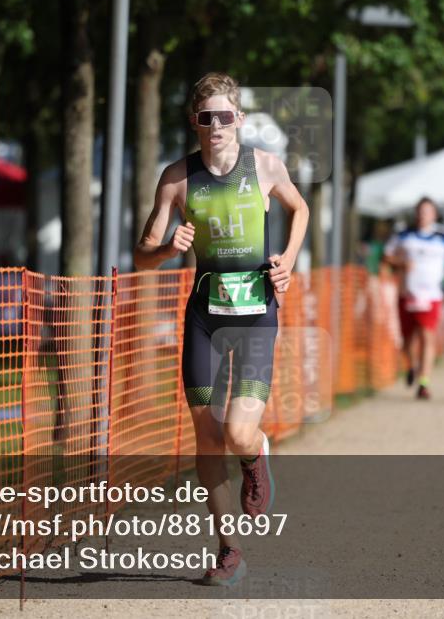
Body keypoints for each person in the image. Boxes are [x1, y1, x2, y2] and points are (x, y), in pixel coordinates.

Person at [134, 72, 309, 586]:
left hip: (256, 316)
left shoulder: (266, 167)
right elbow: (142, 257)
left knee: (236, 432)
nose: (216, 126)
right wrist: (169, 249)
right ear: (195, 122)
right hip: (205, 320)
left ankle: (255, 455)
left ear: (240, 120)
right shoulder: (176, 179)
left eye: (224, 116)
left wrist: (289, 261)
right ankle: (229, 550)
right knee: (207, 438)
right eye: (205, 117)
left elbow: (299, 209)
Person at [383, 197, 444, 399]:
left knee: (427, 335)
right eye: (420, 211)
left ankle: (424, 382)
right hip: (407, 294)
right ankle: (413, 366)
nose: (423, 215)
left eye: (427, 211)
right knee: (407, 340)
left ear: (434, 214)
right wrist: (401, 263)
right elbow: (387, 256)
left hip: (432, 294)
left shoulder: (443, 235)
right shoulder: (403, 235)